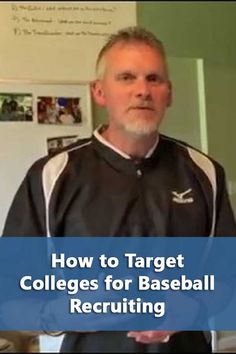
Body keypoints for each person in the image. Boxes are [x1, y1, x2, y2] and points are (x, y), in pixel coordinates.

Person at [2, 26, 236, 353]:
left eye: (153, 79)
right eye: (126, 77)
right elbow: (9, 294)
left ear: (169, 92)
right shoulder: (52, 176)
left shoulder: (205, 173)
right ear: (99, 92)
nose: (142, 90)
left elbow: (227, 278)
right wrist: (62, 313)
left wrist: (194, 308)